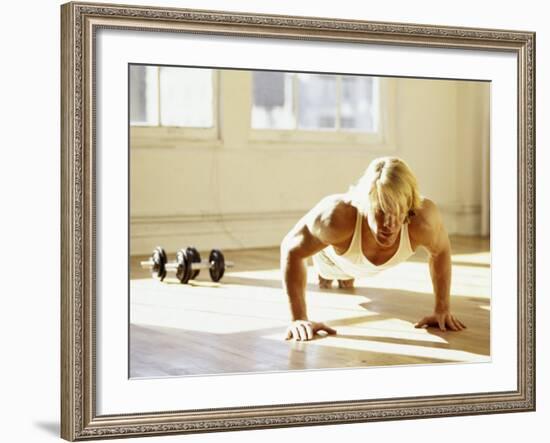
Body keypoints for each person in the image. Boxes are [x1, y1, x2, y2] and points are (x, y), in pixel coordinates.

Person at [280, 156, 466, 341]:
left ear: (409, 207)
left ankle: (348, 275)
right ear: (365, 204)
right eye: (381, 211)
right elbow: (290, 249)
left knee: (348, 279)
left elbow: (440, 251)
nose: (389, 224)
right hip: (332, 261)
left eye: (398, 212)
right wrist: (298, 318)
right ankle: (334, 274)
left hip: (361, 261)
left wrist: (442, 309)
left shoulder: (424, 220)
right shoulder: (335, 219)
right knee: (331, 276)